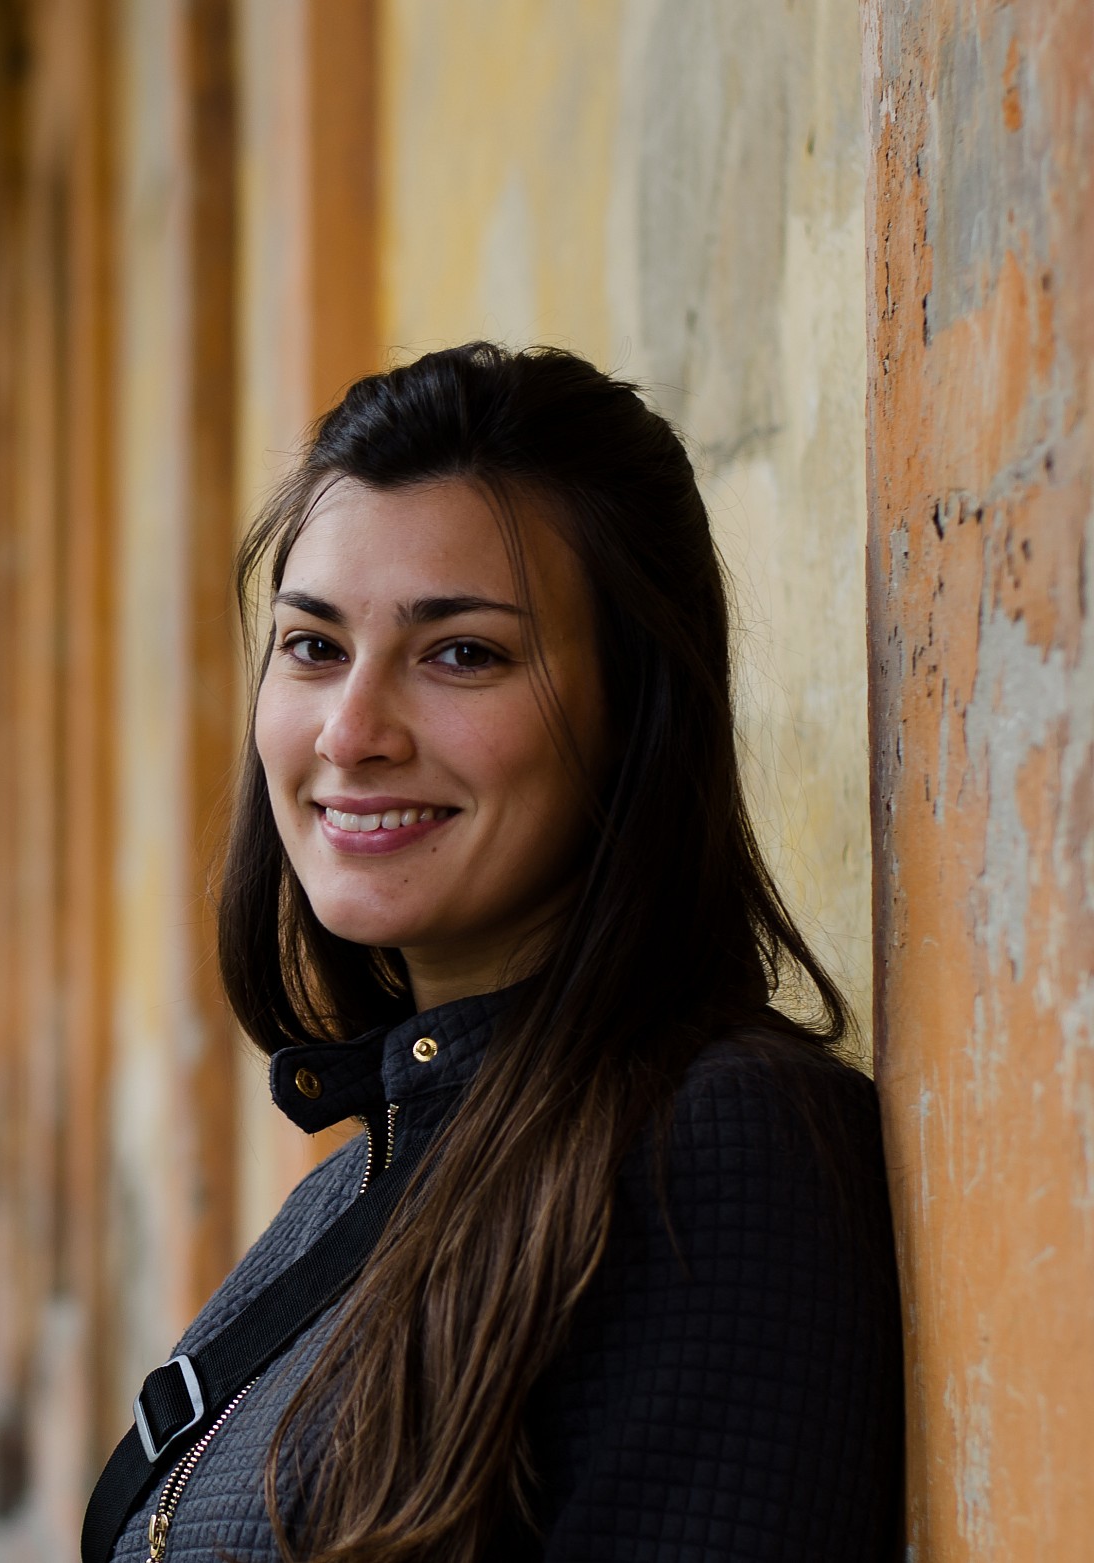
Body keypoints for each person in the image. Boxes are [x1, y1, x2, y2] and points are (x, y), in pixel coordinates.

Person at [84, 344, 901, 1563]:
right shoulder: (372, 1169)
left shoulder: (720, 1154)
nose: (351, 732)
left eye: (462, 652)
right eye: (313, 646)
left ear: (637, 715)